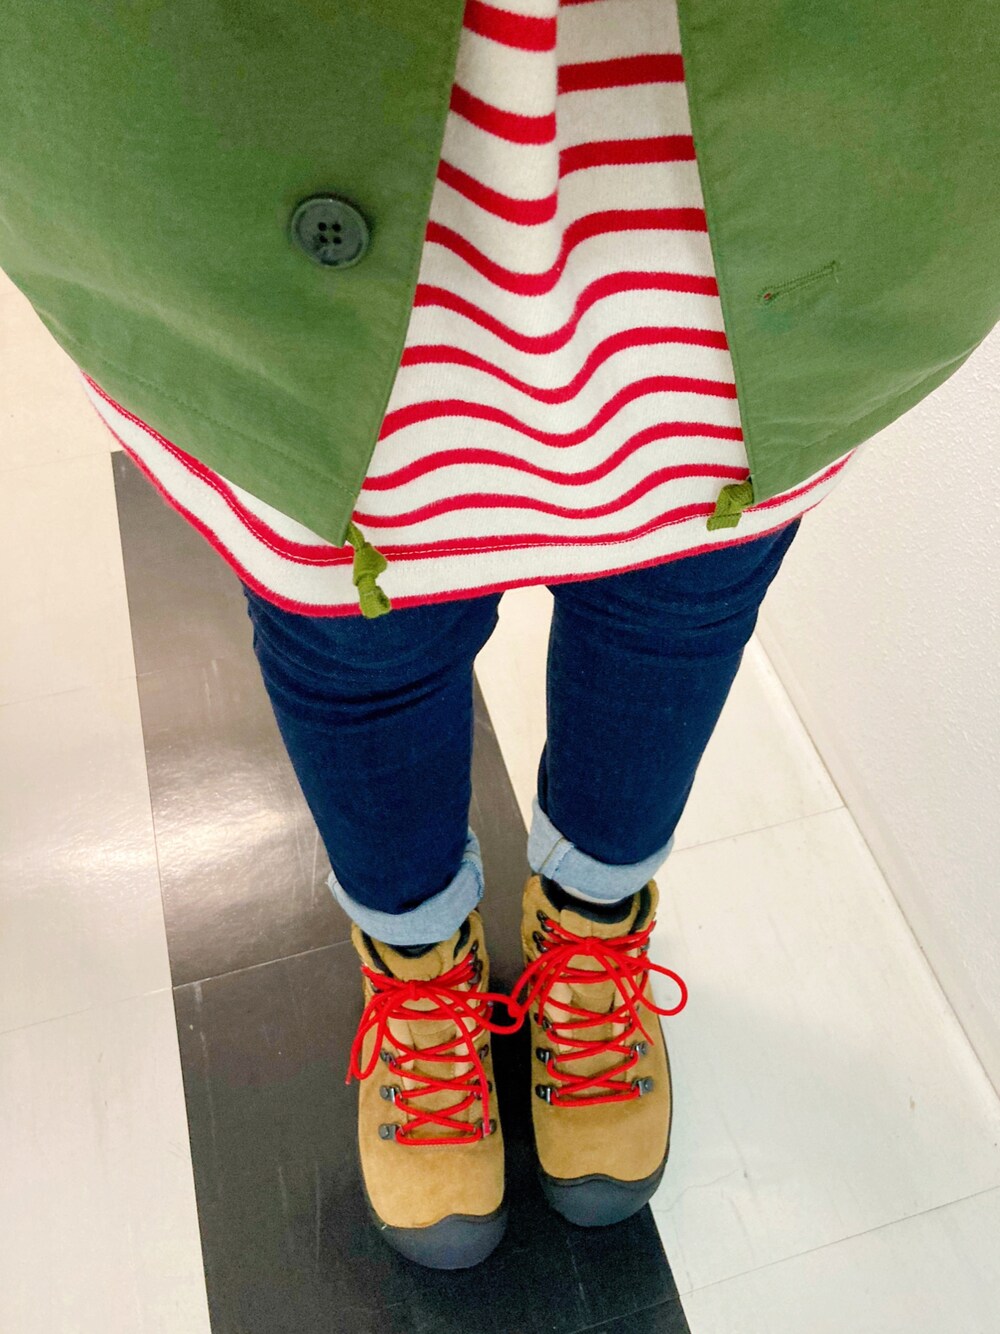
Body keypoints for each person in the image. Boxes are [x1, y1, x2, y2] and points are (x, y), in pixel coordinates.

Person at [1, 0, 998, 1274]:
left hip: (762, 202)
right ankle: (418, 962)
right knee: (352, 617)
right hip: (244, 155)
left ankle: (593, 924)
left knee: (679, 588)